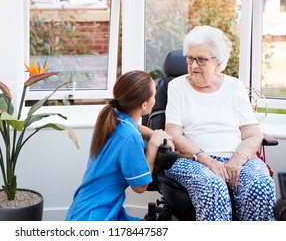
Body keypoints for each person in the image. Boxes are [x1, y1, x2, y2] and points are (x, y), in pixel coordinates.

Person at [164, 25, 276, 221]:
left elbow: (253, 134)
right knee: (213, 187)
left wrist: (238, 159)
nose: (194, 65)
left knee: (261, 185)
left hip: (236, 157)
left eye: (201, 59)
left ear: (219, 62)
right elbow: (173, 133)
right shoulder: (177, 86)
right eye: (190, 58)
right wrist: (207, 160)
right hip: (192, 159)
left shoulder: (235, 86)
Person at [65, 70, 173, 221]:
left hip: (87, 208)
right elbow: (140, 187)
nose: (155, 99)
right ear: (144, 105)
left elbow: (135, 127)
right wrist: (154, 145)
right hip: (95, 217)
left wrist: (153, 134)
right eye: (153, 96)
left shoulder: (113, 115)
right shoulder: (129, 136)